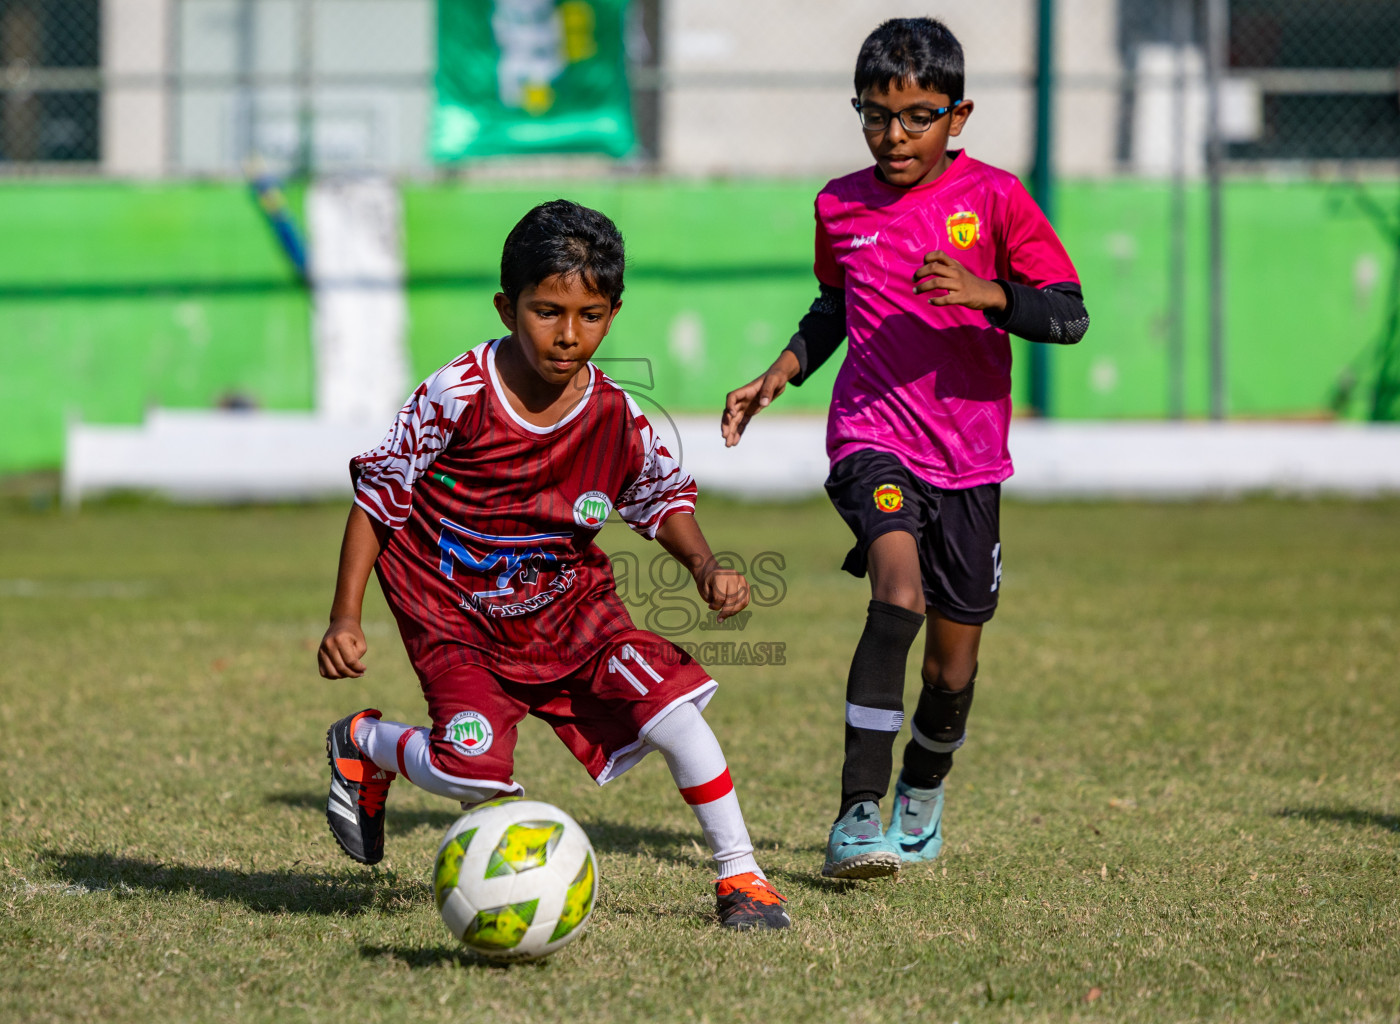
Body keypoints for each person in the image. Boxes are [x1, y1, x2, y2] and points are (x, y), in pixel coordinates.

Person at [318, 199, 790, 930]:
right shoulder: (458, 395)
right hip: (456, 616)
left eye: (591, 316)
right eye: (546, 311)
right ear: (507, 306)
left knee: (674, 706)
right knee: (468, 772)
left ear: (613, 311)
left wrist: (702, 565)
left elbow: (660, 498)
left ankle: (742, 877)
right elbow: (379, 494)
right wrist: (344, 616)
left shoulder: (616, 416)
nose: (568, 336)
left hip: (571, 610)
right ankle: (367, 745)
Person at [721, 18, 1089, 880]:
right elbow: (836, 307)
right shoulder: (838, 205)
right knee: (898, 589)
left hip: (969, 464)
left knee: (953, 669)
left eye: (917, 116)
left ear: (957, 117)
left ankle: (921, 787)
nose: (894, 135)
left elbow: (1069, 314)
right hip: (870, 439)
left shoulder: (996, 200)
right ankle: (856, 813)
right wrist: (781, 372)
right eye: (875, 115)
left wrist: (989, 293)